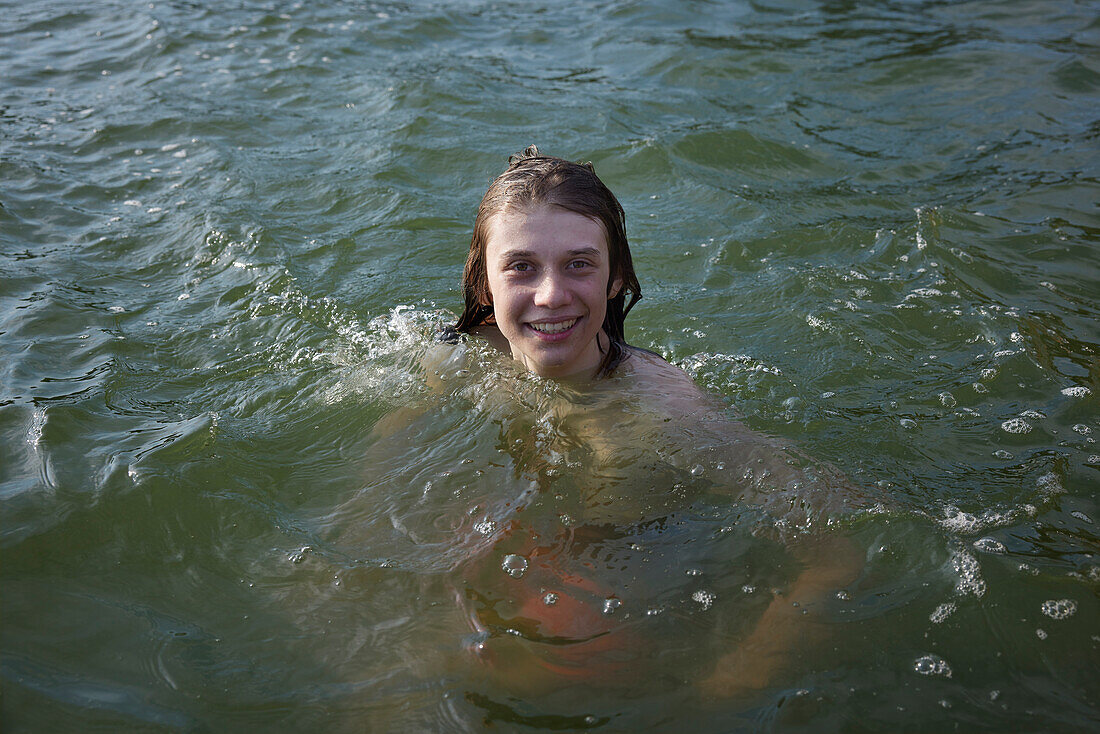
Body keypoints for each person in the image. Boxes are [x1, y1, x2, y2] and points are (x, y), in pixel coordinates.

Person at [438, 146, 867, 709]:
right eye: (521, 266)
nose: (550, 295)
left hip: (639, 601)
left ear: (616, 278)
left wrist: (737, 679)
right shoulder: (459, 358)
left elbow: (842, 546)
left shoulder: (663, 412)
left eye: (579, 264)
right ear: (484, 283)